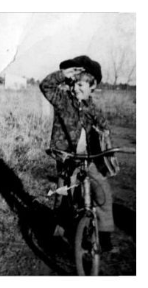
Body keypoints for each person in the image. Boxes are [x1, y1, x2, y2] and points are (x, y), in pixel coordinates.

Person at [39, 55, 119, 252]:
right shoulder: (63, 101)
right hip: (68, 158)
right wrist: (61, 75)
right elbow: (46, 87)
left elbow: (104, 126)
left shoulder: (93, 107)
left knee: (103, 192)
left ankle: (104, 236)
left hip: (89, 159)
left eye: (81, 85)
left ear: (93, 87)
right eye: (74, 84)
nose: (76, 89)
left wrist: (104, 134)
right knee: (64, 196)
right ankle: (58, 235)